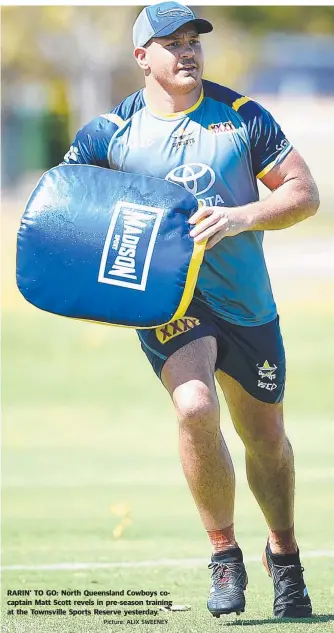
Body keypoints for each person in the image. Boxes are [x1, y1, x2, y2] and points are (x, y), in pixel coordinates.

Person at [63, 2, 319, 619]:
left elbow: (303, 193)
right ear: (141, 57)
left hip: (248, 303)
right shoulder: (109, 133)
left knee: (267, 442)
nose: (186, 52)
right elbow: (65, 211)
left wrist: (242, 216)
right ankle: (223, 555)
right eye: (169, 42)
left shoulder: (241, 118)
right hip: (170, 305)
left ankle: (282, 555)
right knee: (195, 405)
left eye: (192, 41)